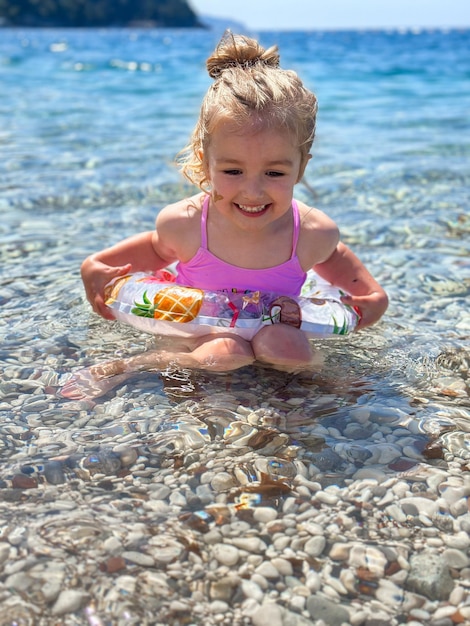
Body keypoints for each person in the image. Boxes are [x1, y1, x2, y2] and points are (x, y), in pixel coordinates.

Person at [62, 32, 388, 400]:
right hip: (205, 329)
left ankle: (311, 399)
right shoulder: (185, 223)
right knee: (224, 352)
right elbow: (151, 252)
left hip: (279, 327)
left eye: (275, 173)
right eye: (233, 172)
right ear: (205, 162)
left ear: (300, 167)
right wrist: (96, 266)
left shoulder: (312, 232)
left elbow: (341, 266)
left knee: (286, 348)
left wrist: (371, 299)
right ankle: (135, 365)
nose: (252, 191)